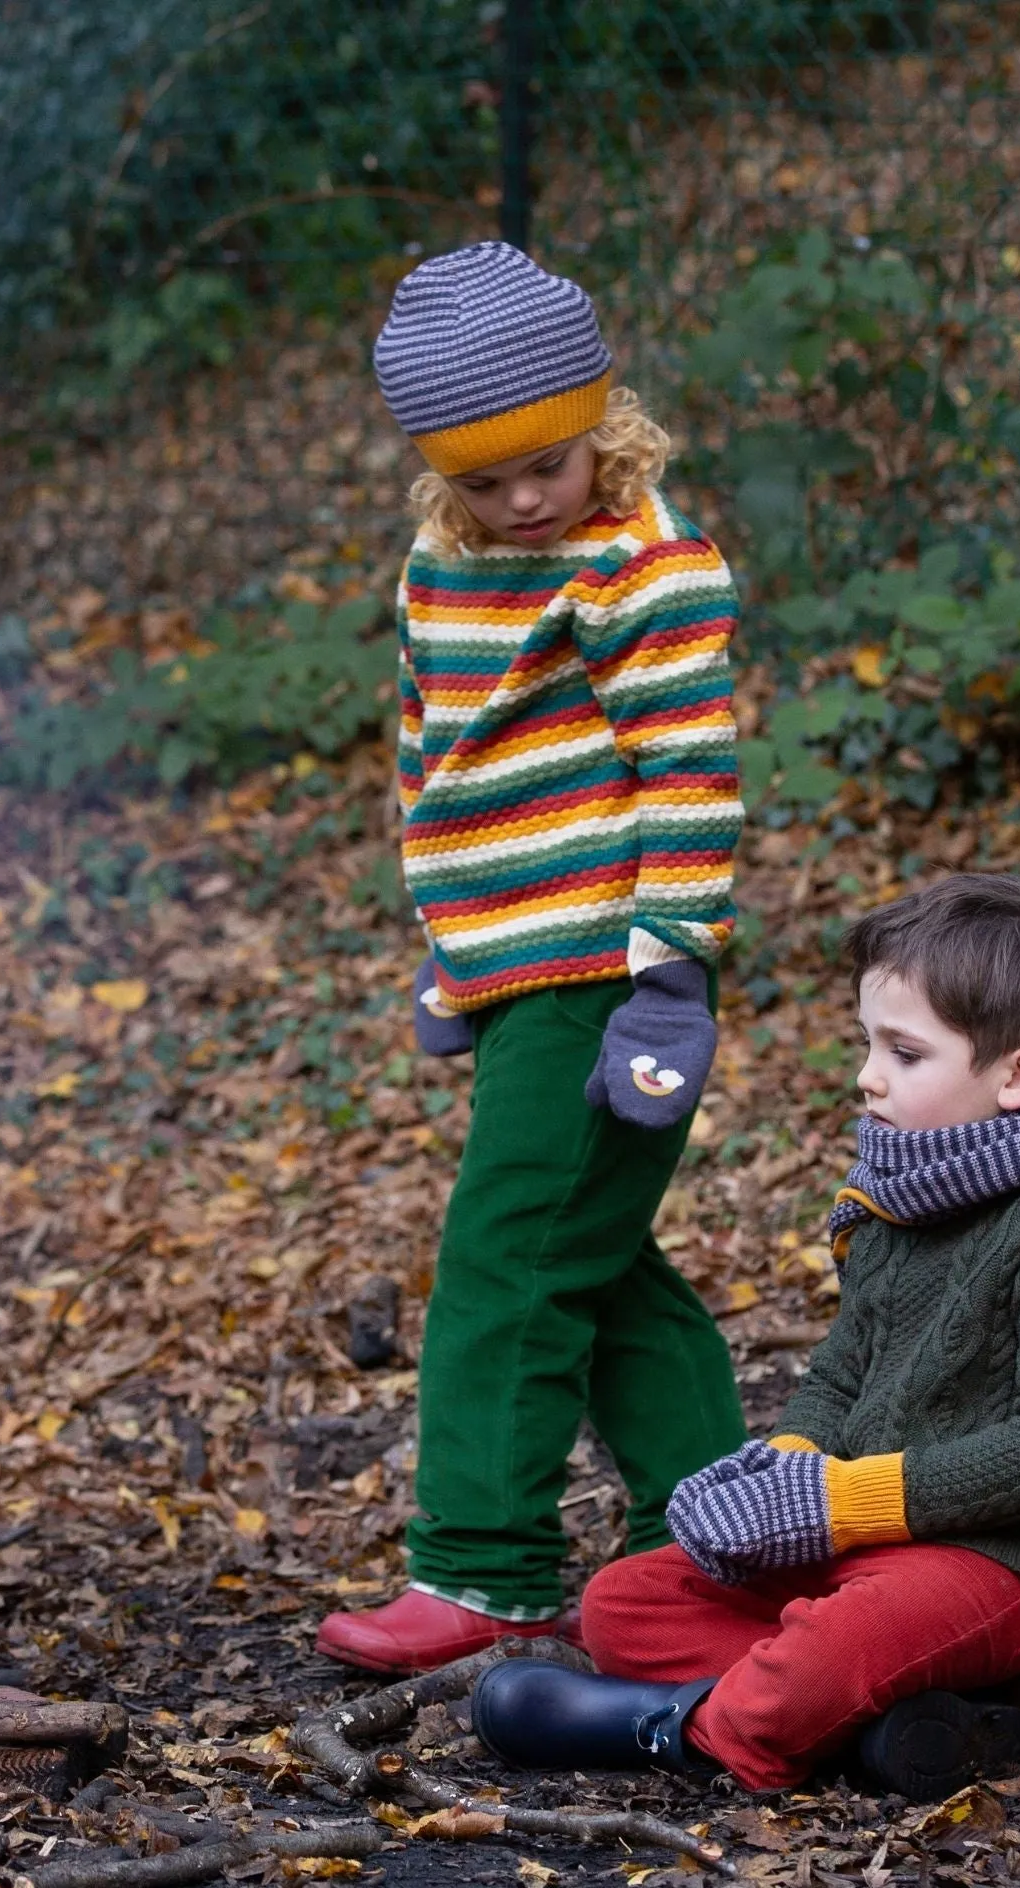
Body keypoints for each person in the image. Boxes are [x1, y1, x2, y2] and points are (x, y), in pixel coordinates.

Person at [471, 873, 1020, 1798]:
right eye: (868, 1043)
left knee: (844, 1637)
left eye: (904, 1051)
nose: (868, 1074)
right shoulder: (905, 1191)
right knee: (625, 1602)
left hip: (1014, 1557)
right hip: (872, 1539)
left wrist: (841, 1500)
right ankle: (888, 1729)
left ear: (1019, 1074)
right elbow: (843, 1373)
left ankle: (679, 1732)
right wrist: (789, 1466)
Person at [315, 242, 748, 1674]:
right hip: (512, 968)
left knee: (507, 1258)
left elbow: (689, 773)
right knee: (601, 1256)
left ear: (600, 419)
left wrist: (672, 975)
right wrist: (450, 959)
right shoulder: (445, 561)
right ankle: (714, 1538)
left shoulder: (647, 568)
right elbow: (429, 754)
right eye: (486, 478)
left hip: (608, 972)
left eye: (547, 465)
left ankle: (485, 1568)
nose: (520, 499)